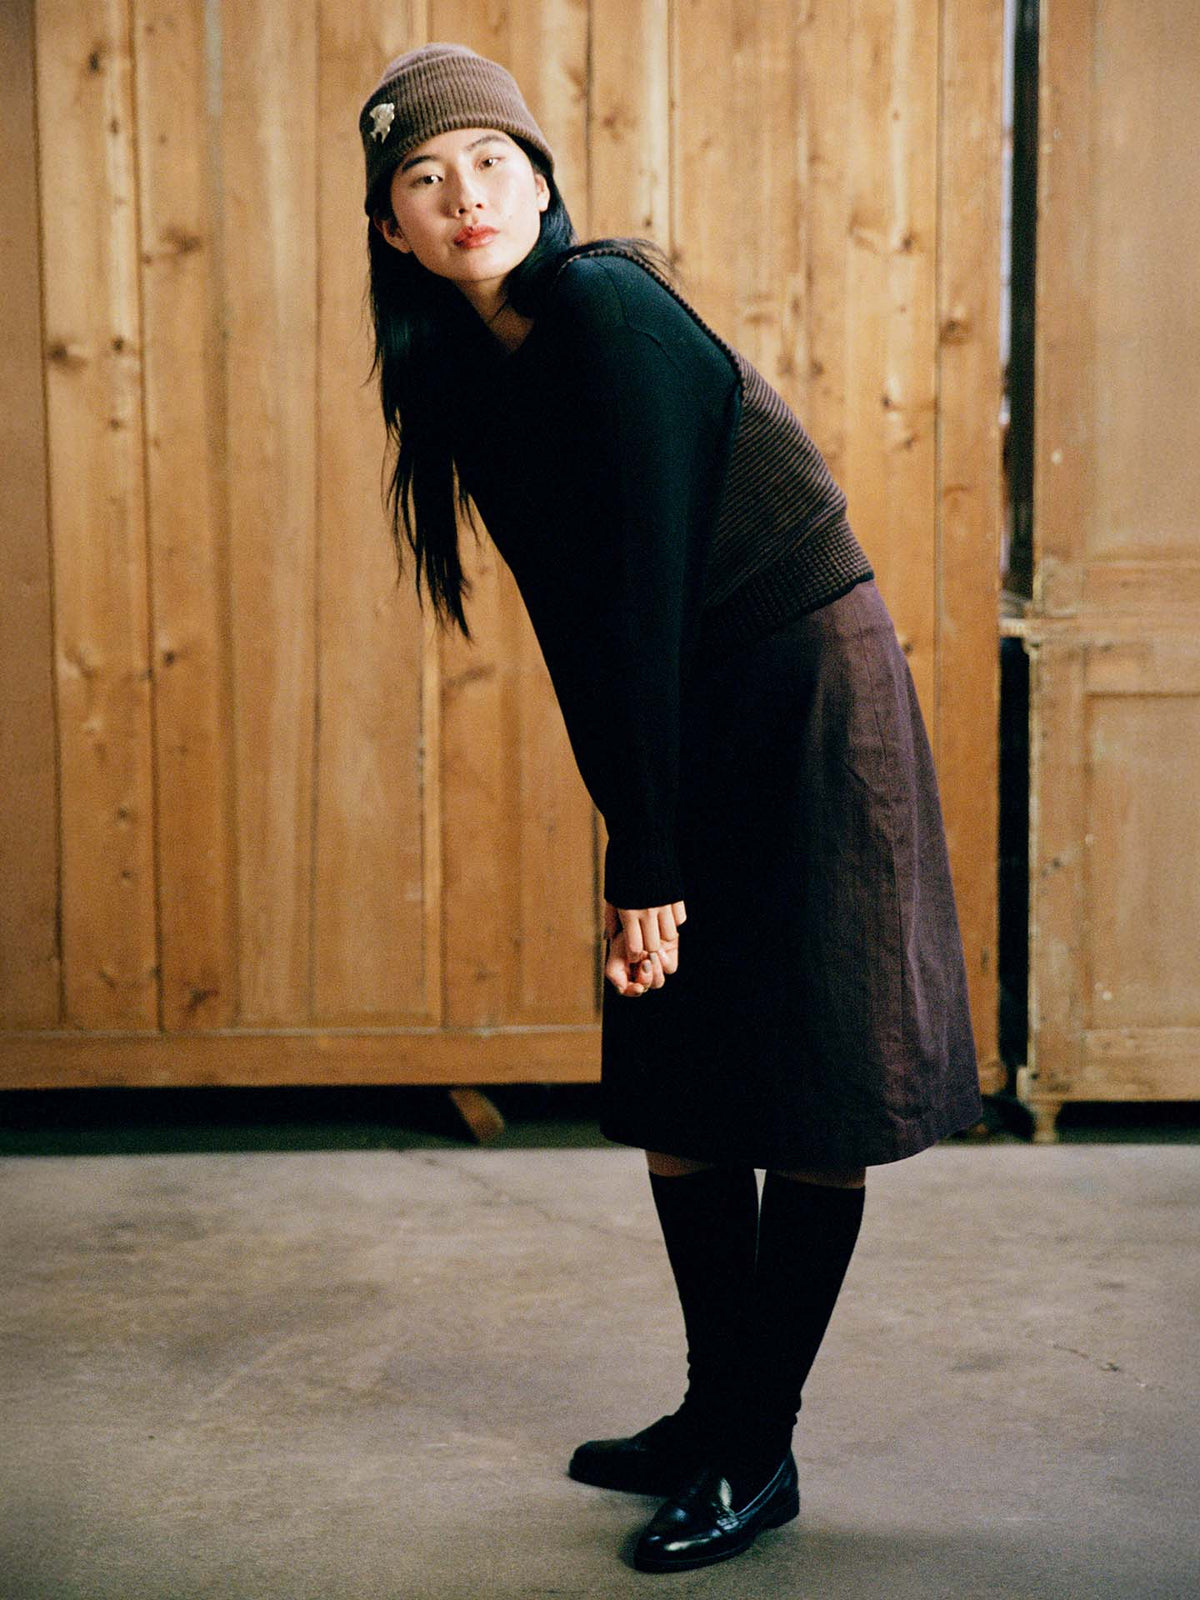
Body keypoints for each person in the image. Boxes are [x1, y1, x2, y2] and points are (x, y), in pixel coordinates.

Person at [358, 42, 983, 1575]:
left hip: (800, 685)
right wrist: (637, 836)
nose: (463, 198)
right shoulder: (473, 375)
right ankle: (713, 1413)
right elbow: (591, 632)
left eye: (490, 164)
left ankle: (759, 1446)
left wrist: (645, 859)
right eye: (424, 181)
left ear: (543, 176)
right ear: (389, 232)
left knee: (808, 1060)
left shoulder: (604, 311)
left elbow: (638, 595)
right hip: (687, 697)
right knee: (683, 1056)